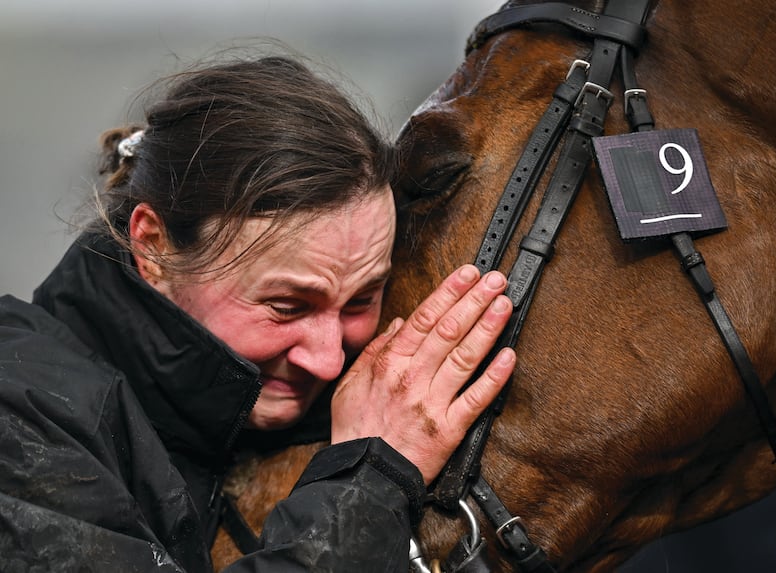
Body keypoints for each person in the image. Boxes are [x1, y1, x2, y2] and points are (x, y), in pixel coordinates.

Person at [0, 50, 515, 571]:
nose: (328, 360)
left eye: (361, 299)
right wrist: (371, 481)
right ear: (153, 246)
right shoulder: (20, 416)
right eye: (287, 306)